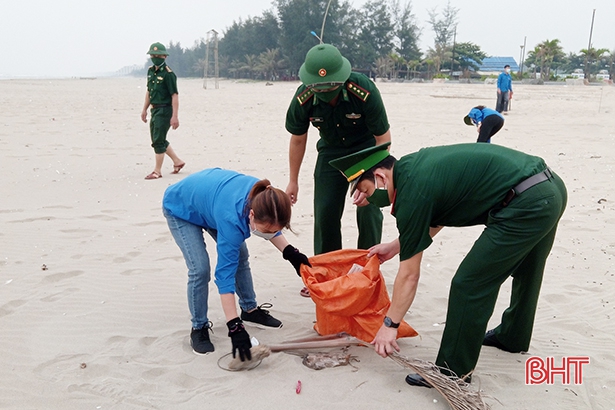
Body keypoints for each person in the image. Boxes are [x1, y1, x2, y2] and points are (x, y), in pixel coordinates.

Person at [329, 142, 567, 387]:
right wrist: (395, 246)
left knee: (469, 283)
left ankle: (452, 372)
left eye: (366, 191)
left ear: (380, 177)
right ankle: (513, 336)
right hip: (550, 188)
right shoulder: (413, 168)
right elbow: (437, 216)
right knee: (528, 269)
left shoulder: (411, 193)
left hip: (527, 204)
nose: (368, 199)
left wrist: (390, 325)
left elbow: (409, 275)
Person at [162, 168, 310, 358]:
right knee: (200, 269)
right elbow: (224, 277)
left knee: (240, 255)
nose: (268, 233)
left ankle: (250, 310)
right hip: (180, 207)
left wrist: (290, 253)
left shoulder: (265, 197)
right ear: (251, 215)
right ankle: (198, 327)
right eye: (265, 231)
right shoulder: (232, 220)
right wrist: (234, 327)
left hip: (211, 204)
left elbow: (270, 225)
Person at [284, 43, 392, 297]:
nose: (325, 94)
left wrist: (375, 178)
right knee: (325, 213)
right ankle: (325, 272)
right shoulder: (304, 97)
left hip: (367, 152)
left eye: (330, 88)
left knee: (369, 211)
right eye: (318, 88)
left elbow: (383, 138)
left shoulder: (363, 90)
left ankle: (367, 269)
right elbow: (298, 138)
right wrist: (293, 180)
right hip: (331, 154)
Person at [141, 42, 185, 180]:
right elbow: (149, 91)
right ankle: (177, 161)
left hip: (165, 109)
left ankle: (157, 171)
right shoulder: (150, 71)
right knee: (157, 138)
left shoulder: (168, 74)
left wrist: (175, 116)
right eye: (152, 55)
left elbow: (174, 95)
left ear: (164, 56)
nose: (155, 57)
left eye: (158, 55)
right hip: (154, 110)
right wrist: (144, 109)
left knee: (158, 140)